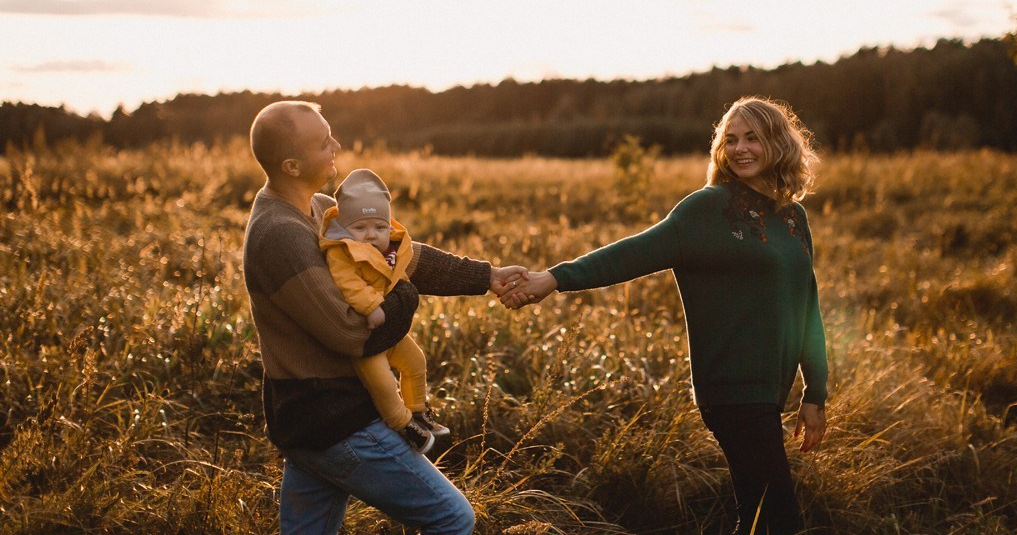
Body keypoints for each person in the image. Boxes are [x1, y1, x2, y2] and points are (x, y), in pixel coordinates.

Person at [503, 96, 829, 535]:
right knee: (780, 520)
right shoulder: (706, 210)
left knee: (757, 515)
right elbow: (634, 252)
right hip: (731, 388)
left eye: (753, 138)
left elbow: (807, 304)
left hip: (771, 391)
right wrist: (555, 278)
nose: (740, 149)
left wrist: (815, 391)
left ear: (778, 143)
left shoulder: (794, 218)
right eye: (730, 140)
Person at [242, 100, 526, 535]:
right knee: (452, 518)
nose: (336, 144)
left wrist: (486, 276)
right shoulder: (279, 234)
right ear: (292, 165)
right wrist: (405, 299)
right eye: (324, 142)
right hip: (334, 419)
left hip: (309, 422)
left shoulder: (320, 208)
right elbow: (352, 335)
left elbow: (400, 258)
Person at [319, 167, 450, 455]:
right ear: (344, 227)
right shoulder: (340, 251)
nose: (370, 236)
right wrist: (371, 306)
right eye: (360, 228)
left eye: (379, 227)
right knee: (384, 384)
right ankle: (404, 425)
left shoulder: (393, 248)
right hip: (366, 337)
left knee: (415, 362)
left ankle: (417, 411)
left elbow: (403, 273)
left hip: (391, 330)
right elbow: (347, 282)